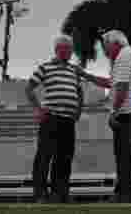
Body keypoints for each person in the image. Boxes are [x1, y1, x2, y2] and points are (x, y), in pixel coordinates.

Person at [26, 34, 85, 204]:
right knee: (44, 156)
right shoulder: (45, 67)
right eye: (65, 49)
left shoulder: (74, 70)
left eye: (70, 50)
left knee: (64, 157)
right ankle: (40, 194)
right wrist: (38, 108)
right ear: (57, 50)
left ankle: (60, 193)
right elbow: (29, 88)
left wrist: (79, 110)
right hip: (50, 118)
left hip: (68, 120)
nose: (69, 53)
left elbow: (79, 92)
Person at [101, 30, 131, 203]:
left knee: (123, 156)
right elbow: (112, 83)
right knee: (124, 155)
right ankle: (122, 192)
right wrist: (86, 76)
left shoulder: (124, 56)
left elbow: (122, 88)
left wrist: (114, 111)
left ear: (115, 44)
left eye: (106, 47)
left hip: (127, 113)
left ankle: (125, 194)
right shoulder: (129, 55)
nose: (105, 52)